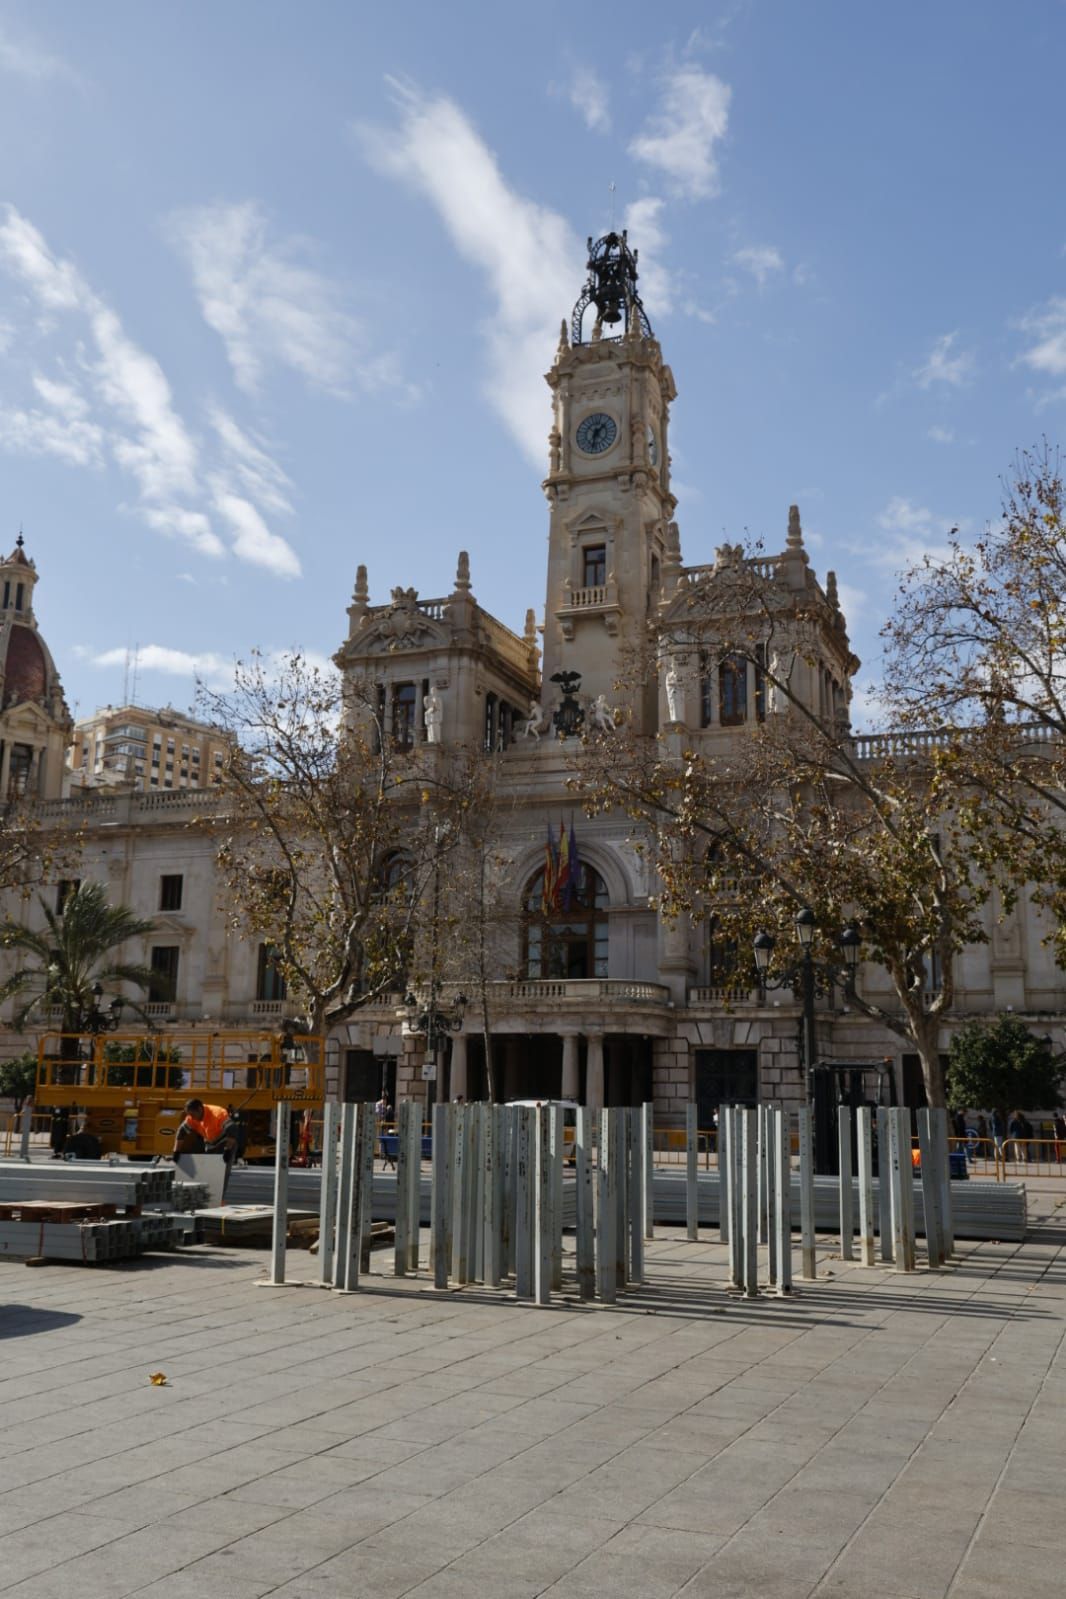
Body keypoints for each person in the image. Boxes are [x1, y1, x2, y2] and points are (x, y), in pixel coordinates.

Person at [173, 1098, 240, 1196]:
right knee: (209, 1173)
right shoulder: (191, 1117)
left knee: (221, 1173)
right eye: (189, 1115)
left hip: (226, 1142)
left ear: (200, 1109)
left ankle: (219, 1198)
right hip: (211, 1143)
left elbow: (232, 1130)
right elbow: (181, 1133)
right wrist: (176, 1151)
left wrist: (228, 1150)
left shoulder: (218, 1113)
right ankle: (209, 1198)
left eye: (192, 1114)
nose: (191, 1117)